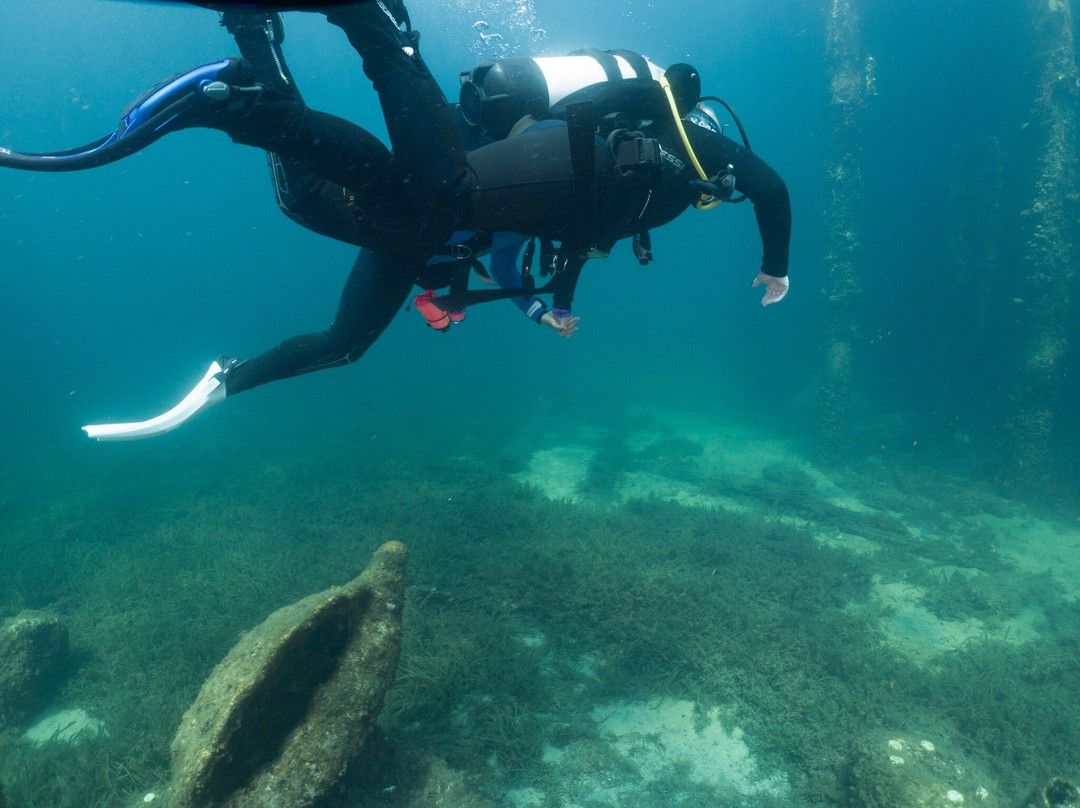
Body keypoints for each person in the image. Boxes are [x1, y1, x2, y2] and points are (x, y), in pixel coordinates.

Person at [0, 1, 790, 439]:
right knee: (434, 195)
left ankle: (251, 57)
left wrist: (543, 305)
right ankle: (363, 28)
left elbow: (526, 253)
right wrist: (776, 265)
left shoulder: (591, 202)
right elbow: (771, 186)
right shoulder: (648, 151)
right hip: (446, 195)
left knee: (326, 273)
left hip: (427, 234)